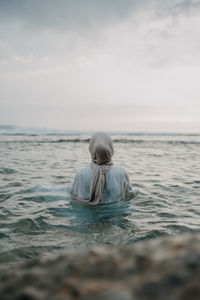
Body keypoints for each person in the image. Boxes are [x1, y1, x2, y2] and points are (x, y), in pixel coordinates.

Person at [70, 131, 135, 205]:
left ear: (91, 148)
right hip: (115, 215)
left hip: (86, 215)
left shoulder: (81, 174)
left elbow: (73, 196)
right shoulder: (121, 173)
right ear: (111, 149)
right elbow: (129, 195)